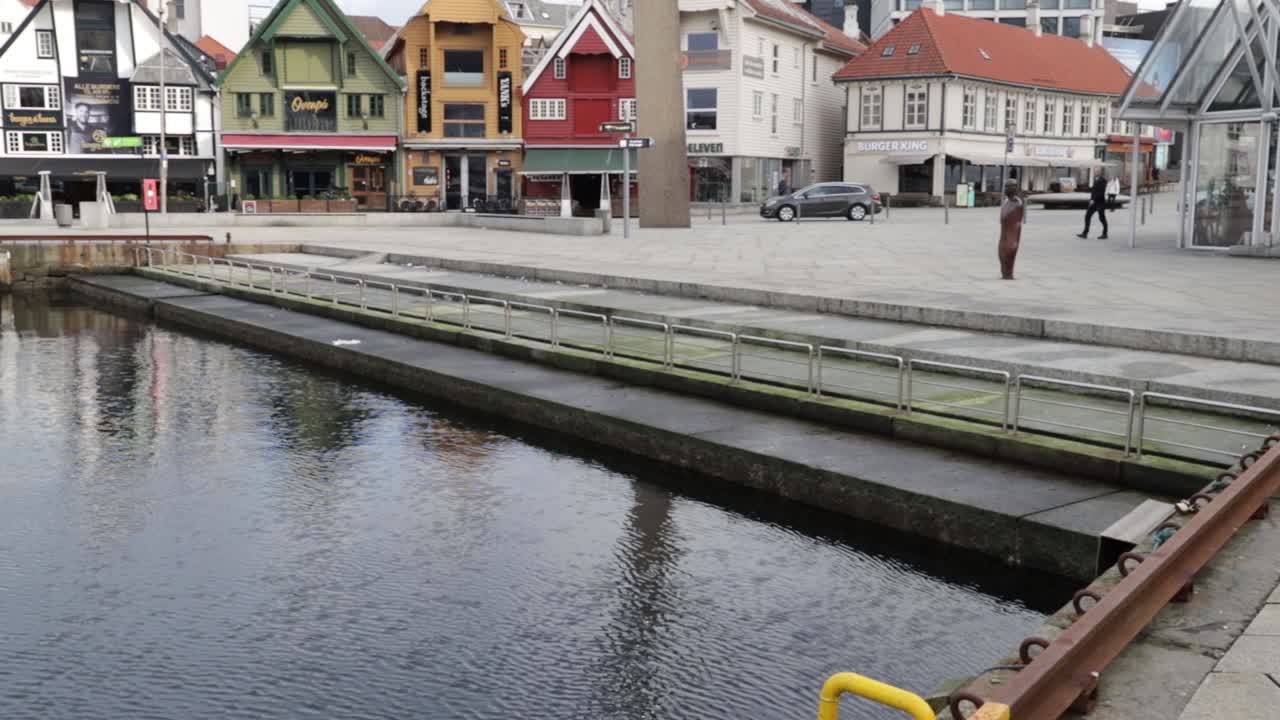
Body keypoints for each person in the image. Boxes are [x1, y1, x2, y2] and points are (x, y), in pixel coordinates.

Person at [998, 181, 1023, 280]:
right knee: (1001, 255)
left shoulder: (1018, 204)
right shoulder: (1005, 202)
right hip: (1003, 237)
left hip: (1011, 237)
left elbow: (1017, 224)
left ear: (1015, 189)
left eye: (1009, 187)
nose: (1006, 189)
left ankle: (1008, 275)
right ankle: (1005, 274)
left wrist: (1014, 242)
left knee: (1008, 255)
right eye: (1006, 187)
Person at [1077, 174, 1109, 240]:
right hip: (1094, 203)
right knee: (1087, 216)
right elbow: (1093, 191)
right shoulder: (1096, 179)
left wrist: (1093, 199)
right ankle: (1085, 233)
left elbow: (1101, 192)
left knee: (1102, 218)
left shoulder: (1103, 181)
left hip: (1100, 203)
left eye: (1097, 168)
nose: (1095, 170)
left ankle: (1105, 233)